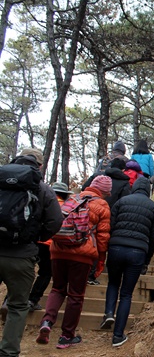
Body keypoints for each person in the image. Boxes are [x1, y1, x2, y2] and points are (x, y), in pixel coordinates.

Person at [0, 149, 63, 357]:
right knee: (18, 306)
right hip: (22, 254)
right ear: (38, 166)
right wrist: (34, 237)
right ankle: (8, 352)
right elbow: (55, 221)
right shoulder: (42, 188)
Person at [36, 175, 112, 349]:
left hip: (58, 250)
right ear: (105, 191)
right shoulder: (102, 205)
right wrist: (100, 259)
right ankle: (66, 336)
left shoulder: (73, 198)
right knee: (76, 295)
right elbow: (102, 236)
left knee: (57, 288)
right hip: (82, 255)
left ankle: (47, 322)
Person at [100, 177, 154, 347]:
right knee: (126, 293)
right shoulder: (152, 208)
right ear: (148, 190)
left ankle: (109, 312)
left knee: (113, 283)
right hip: (138, 252)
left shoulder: (121, 201)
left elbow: (110, 225)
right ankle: (117, 336)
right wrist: (147, 260)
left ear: (134, 188)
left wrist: (107, 249)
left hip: (116, 248)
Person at [82, 158, 131, 285]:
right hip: (110, 215)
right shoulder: (125, 182)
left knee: (87, 239)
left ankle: (84, 271)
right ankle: (92, 274)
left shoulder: (98, 176)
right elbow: (124, 201)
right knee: (100, 242)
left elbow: (84, 188)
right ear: (123, 169)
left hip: (88, 211)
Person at [27, 182, 73, 312]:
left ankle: (9, 299)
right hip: (50, 244)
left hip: (33, 241)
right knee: (45, 273)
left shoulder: (40, 202)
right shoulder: (65, 207)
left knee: (25, 271)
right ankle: (32, 300)